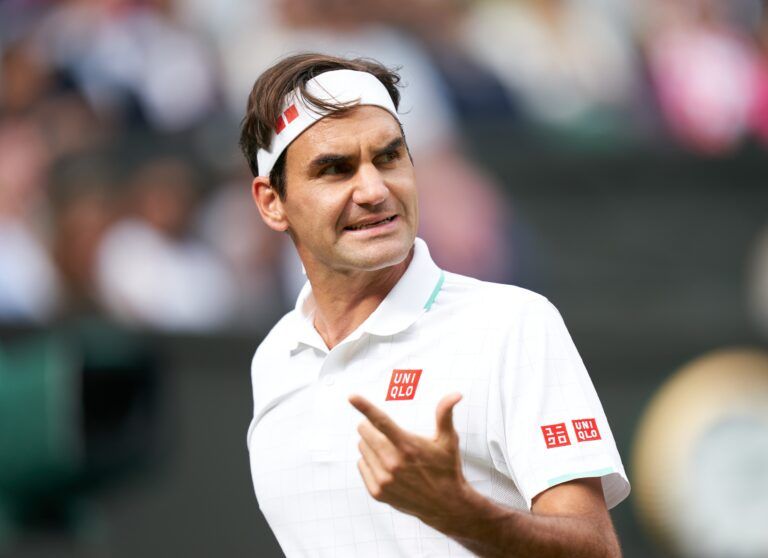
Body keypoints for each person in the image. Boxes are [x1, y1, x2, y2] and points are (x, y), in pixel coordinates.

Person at [241, 53, 630, 557]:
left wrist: (462, 514)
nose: (374, 190)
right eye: (335, 170)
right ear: (272, 202)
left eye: (388, 157)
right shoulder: (274, 359)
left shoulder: (513, 324)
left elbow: (596, 550)